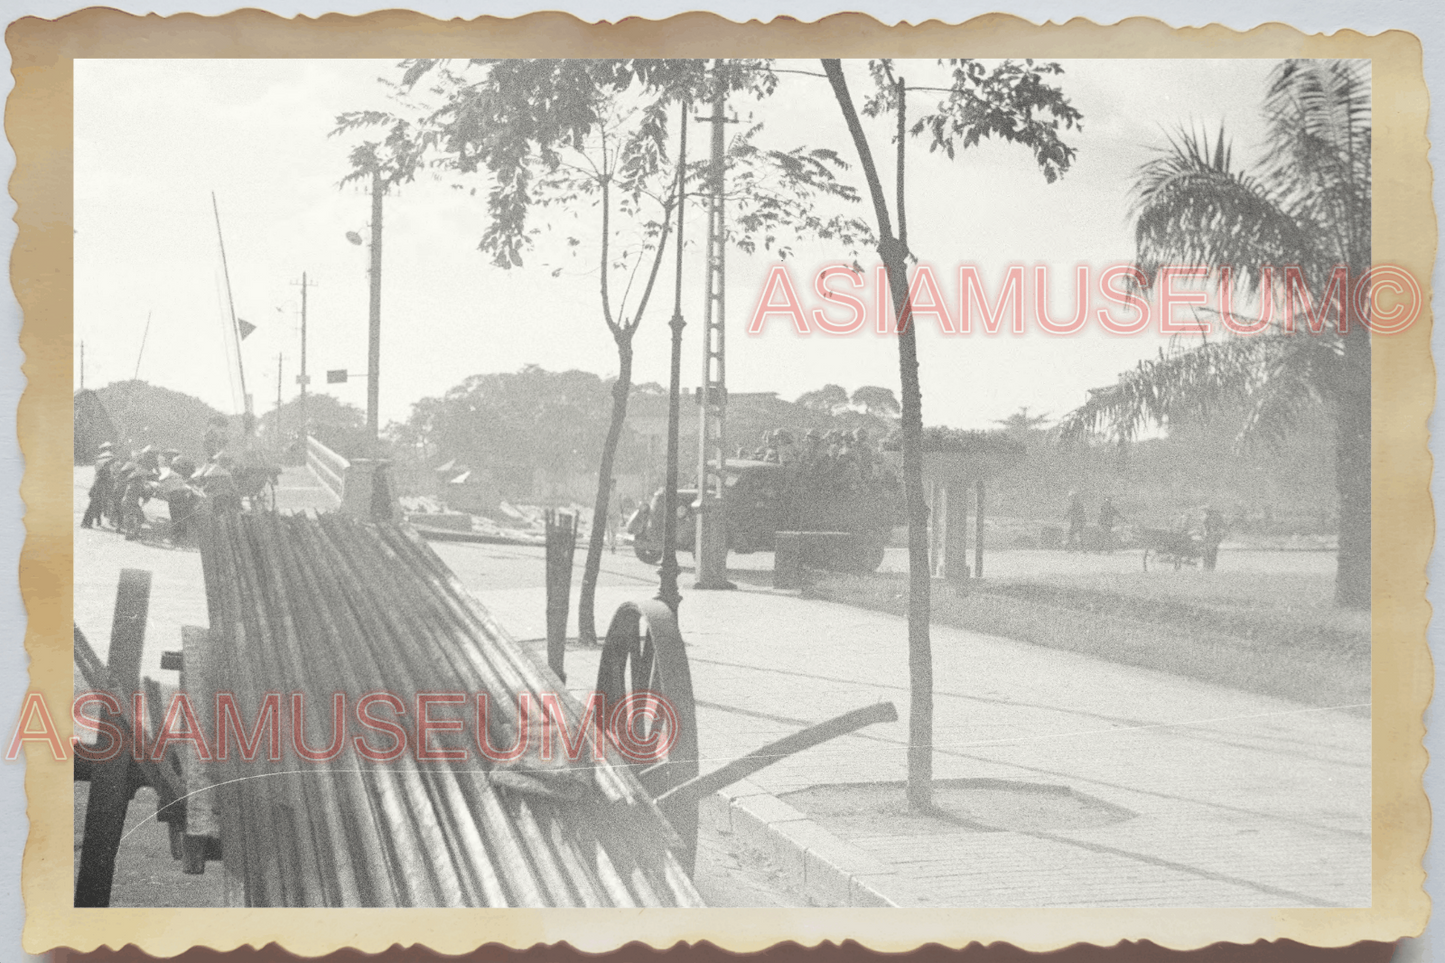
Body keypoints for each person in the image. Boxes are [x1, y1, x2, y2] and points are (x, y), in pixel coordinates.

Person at [82, 443, 114, 529]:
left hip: (98, 483)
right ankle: (88, 522)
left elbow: (97, 470)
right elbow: (110, 472)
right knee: (96, 504)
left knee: (95, 504)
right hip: (102, 485)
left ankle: (90, 522)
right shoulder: (110, 458)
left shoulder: (100, 458)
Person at [1201, 505, 1225, 571]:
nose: (1205, 512)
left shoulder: (1213, 517)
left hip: (1213, 536)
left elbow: (1219, 528)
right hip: (1209, 536)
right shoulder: (1208, 517)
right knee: (1207, 552)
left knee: (1211, 552)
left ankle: (1209, 567)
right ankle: (1207, 566)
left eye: (1205, 510)